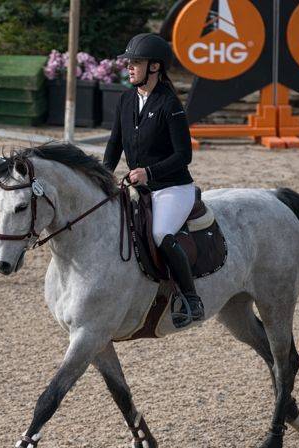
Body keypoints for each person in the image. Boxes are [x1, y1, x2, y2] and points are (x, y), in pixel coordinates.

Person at [103, 33, 203, 327]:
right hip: (140, 187)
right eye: (129, 63)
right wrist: (101, 177)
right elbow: (114, 144)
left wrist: (149, 172)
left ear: (155, 67)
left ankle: (190, 298)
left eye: (136, 63)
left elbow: (184, 156)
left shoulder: (169, 104)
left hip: (172, 187)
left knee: (160, 235)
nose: (129, 68)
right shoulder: (125, 99)